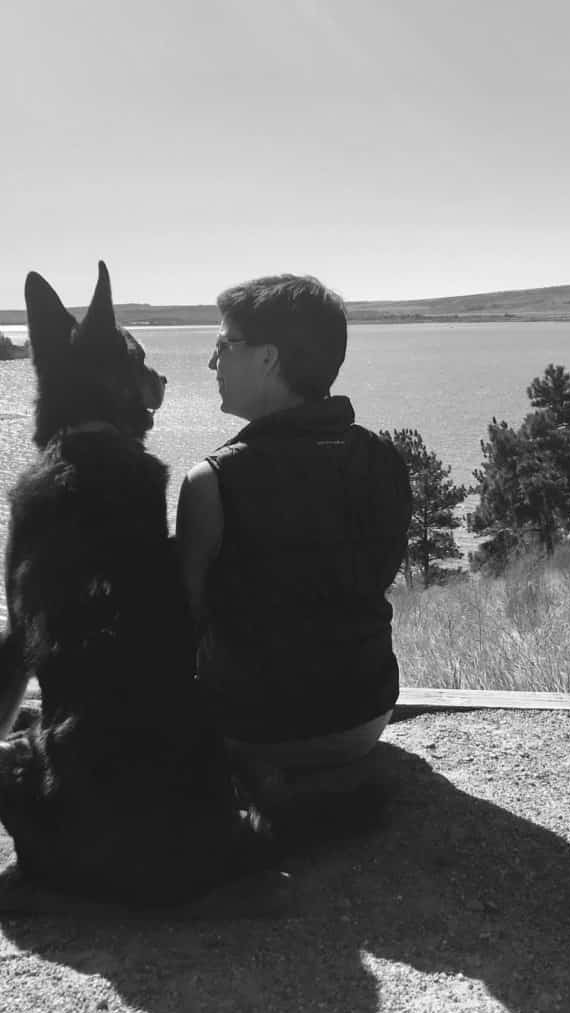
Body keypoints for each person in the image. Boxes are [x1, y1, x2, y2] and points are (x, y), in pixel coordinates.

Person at [175, 274, 411, 818]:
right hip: (366, 717)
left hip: (254, 733)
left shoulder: (211, 481)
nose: (213, 363)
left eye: (223, 344)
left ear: (267, 358)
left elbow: (183, 622)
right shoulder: (383, 459)